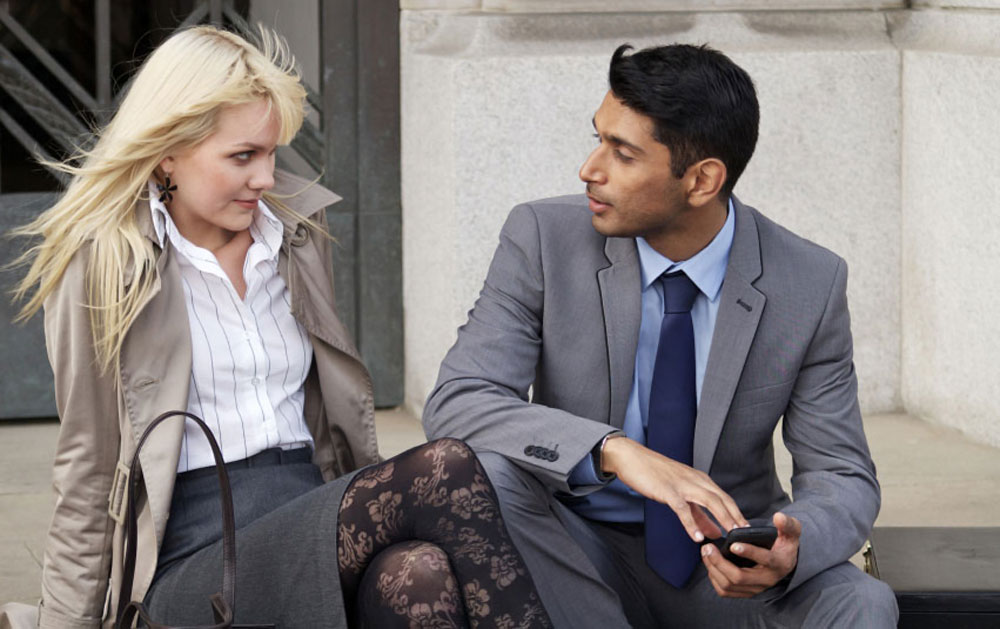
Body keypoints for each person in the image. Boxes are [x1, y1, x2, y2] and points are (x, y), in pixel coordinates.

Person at [2, 25, 550, 629]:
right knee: (445, 466)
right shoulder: (104, 265)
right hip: (197, 552)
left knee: (419, 576)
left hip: (310, 506)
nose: (266, 178)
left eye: (270, 153)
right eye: (242, 157)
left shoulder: (297, 236)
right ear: (167, 154)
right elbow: (87, 465)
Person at [422, 43, 898, 628]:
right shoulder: (543, 239)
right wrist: (614, 452)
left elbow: (840, 472)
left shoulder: (809, 282)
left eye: (622, 153)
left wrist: (792, 546)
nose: (590, 169)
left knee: (863, 603)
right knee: (488, 477)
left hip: (723, 567)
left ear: (702, 180)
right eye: (598, 139)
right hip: (574, 548)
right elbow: (460, 401)